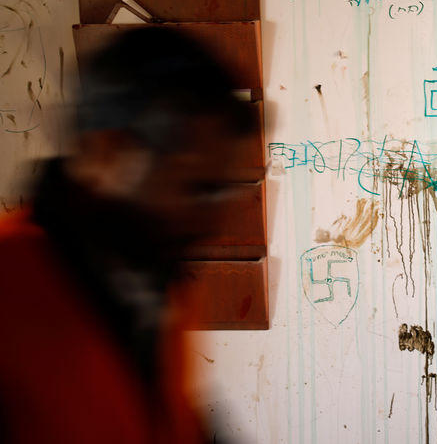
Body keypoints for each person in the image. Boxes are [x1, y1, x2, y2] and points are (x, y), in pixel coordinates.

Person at [0, 27, 254, 443]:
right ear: (107, 153)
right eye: (197, 189)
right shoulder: (9, 285)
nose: (215, 223)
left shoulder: (157, 282)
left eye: (223, 189)